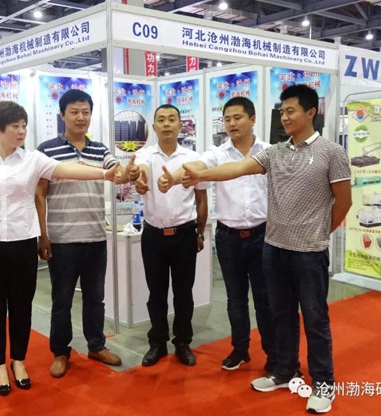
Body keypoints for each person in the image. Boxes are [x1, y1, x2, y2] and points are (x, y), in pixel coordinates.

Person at [183, 85, 352, 414]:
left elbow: (343, 201)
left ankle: (323, 381)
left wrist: (318, 232)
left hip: (309, 252)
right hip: (274, 249)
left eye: (291, 111)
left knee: (315, 319)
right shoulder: (275, 152)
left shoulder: (331, 152)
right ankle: (285, 370)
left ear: (311, 113)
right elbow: (237, 169)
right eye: (282, 112)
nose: (285, 117)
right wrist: (198, 174)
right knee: (281, 314)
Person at [0, 101, 118, 396]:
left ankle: (18, 361)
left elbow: (69, 170)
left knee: (22, 306)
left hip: (23, 242)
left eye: (24, 126)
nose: (21, 131)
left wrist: (104, 174)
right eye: (15, 126)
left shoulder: (33, 159)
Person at [159, 97, 276, 372]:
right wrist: (172, 179)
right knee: (235, 298)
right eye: (227, 119)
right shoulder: (217, 153)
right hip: (228, 238)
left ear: (252, 119)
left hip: (263, 235)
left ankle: (273, 353)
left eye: (238, 117)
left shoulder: (270, 152)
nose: (232, 123)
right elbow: (198, 166)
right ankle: (240, 349)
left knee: (265, 299)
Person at [35, 90, 130, 378]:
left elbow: (117, 173)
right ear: (62, 115)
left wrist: (131, 172)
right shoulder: (46, 150)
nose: (81, 117)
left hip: (95, 237)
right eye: (74, 112)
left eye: (86, 112)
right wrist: (43, 234)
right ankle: (60, 352)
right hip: (62, 239)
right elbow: (39, 194)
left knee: (95, 298)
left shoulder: (100, 150)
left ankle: (96, 345)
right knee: (62, 301)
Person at [126, 104, 208, 367]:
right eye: (161, 120)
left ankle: (183, 343)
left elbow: (201, 198)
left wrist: (200, 232)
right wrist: (139, 178)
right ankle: (158, 343)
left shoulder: (192, 157)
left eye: (172, 119)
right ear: (154, 127)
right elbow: (141, 171)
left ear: (180, 125)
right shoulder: (146, 154)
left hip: (184, 234)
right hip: (154, 236)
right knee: (156, 293)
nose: (166, 124)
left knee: (184, 293)